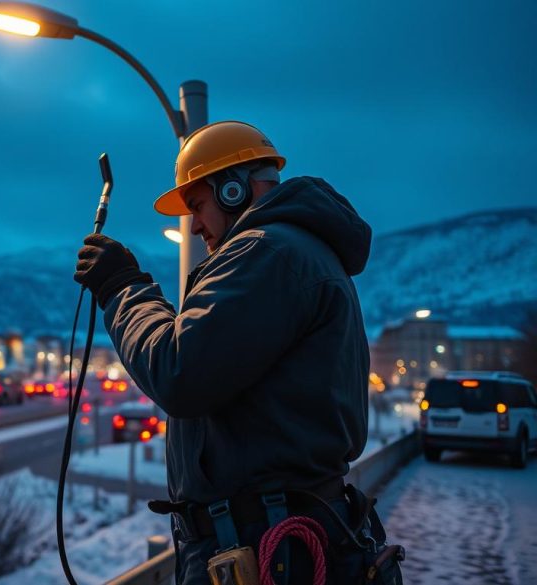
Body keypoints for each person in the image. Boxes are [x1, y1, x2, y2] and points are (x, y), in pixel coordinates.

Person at [74, 121, 401, 584]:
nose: (193, 229)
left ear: (233, 189)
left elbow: (179, 371)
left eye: (197, 206)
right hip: (274, 533)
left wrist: (121, 287)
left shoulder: (269, 254)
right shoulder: (292, 253)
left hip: (266, 541)